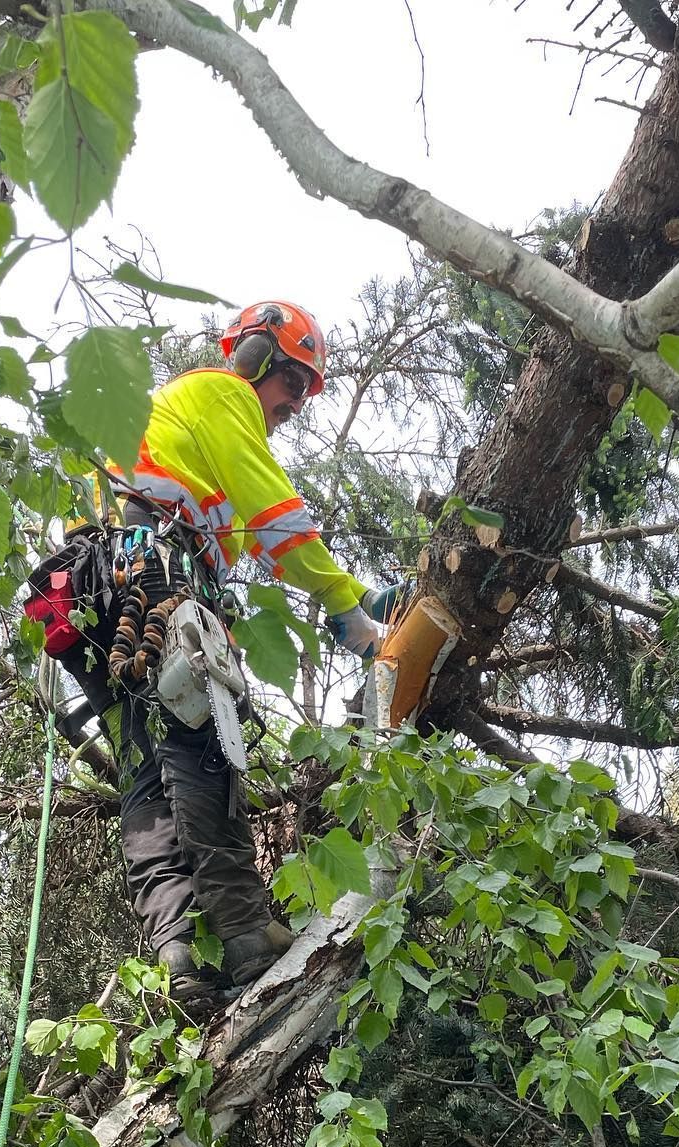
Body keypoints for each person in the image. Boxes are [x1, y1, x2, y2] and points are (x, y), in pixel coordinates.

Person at [25, 301, 399, 1015]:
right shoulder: (222, 393)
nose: (294, 405)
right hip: (155, 579)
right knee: (203, 751)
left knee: (144, 772)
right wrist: (344, 603)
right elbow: (274, 514)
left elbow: (250, 536)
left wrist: (354, 593)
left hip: (93, 595)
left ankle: (176, 952)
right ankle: (245, 932)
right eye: (293, 383)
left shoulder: (172, 420)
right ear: (258, 358)